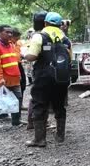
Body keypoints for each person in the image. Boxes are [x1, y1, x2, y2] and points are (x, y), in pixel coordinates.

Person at [24, 12, 71, 147]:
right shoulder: (65, 39)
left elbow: (32, 56)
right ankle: (60, 136)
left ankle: (40, 139)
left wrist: (25, 54)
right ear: (59, 24)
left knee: (40, 104)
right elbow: (69, 58)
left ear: (45, 23)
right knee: (59, 105)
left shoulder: (39, 36)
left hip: (43, 77)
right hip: (61, 78)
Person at [11, 28, 27, 106]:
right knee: (13, 86)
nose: (18, 40)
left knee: (23, 83)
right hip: (12, 66)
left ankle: (20, 104)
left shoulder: (18, 43)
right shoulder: (8, 44)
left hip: (19, 64)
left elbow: (22, 53)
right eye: (16, 38)